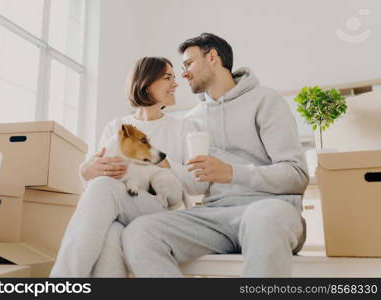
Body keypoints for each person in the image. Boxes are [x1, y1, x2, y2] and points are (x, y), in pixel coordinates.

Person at [122, 33, 309, 277]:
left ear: (212, 57)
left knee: (263, 218)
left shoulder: (265, 100)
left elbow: (297, 175)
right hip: (212, 217)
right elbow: (191, 183)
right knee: (139, 232)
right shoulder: (190, 120)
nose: (184, 74)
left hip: (269, 209)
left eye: (189, 64)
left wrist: (232, 173)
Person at [50, 57, 204, 277]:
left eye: (174, 78)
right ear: (146, 82)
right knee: (111, 232)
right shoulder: (116, 126)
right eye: (168, 77)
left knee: (104, 191)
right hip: (123, 203)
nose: (175, 84)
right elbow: (97, 187)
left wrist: (161, 160)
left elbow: (196, 184)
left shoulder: (183, 127)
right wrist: (86, 172)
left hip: (164, 208)